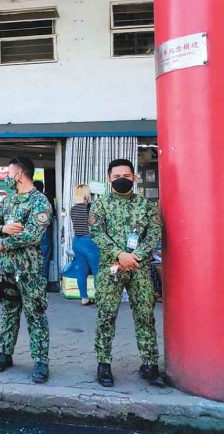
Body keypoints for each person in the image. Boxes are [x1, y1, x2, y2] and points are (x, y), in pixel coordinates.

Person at [88, 159, 164, 388]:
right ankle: (104, 365)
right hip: (110, 268)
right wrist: (120, 254)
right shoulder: (100, 205)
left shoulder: (145, 205)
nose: (122, 179)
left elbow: (154, 233)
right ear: (109, 178)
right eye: (117, 175)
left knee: (145, 316)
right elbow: (96, 233)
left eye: (127, 175)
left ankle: (150, 365)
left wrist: (136, 256)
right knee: (106, 317)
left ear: (134, 177)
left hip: (139, 268)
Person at [0, 157, 53, 384]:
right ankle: (4, 353)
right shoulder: (7, 201)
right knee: (9, 312)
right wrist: (3, 229)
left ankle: (41, 361)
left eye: (8, 173)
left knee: (35, 314)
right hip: (7, 269)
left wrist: (3, 242)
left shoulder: (40, 202)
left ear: (19, 175)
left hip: (30, 270)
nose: (6, 177)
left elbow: (33, 235)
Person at [68, 184, 100, 306]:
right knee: (97, 270)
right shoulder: (90, 208)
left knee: (81, 271)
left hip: (77, 241)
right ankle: (100, 297)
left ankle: (84, 297)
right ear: (86, 194)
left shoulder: (73, 209)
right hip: (89, 242)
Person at [34, 180, 54, 281]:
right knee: (44, 258)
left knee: (32, 258)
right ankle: (43, 283)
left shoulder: (30, 200)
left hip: (32, 232)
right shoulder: (46, 199)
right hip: (45, 232)